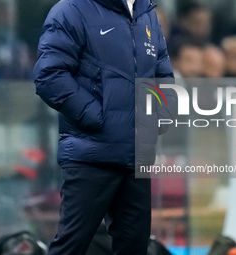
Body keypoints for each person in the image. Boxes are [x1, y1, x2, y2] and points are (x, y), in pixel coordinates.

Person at [33, 0, 175, 254]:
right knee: (71, 246)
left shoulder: (147, 13)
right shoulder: (71, 10)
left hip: (136, 156)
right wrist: (98, 119)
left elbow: (162, 72)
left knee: (135, 247)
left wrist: (159, 116)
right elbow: (49, 76)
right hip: (91, 154)